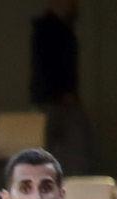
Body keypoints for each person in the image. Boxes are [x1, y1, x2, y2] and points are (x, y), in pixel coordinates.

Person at [30, 0, 90, 174]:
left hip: (60, 98)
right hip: (54, 100)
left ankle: (71, 184)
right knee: (67, 144)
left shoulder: (64, 28)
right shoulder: (47, 29)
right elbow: (47, 66)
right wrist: (63, 93)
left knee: (74, 147)